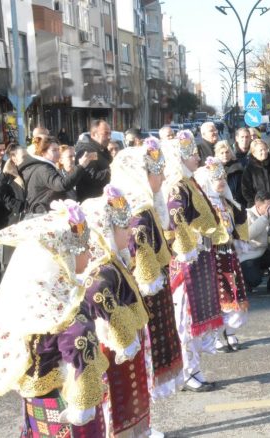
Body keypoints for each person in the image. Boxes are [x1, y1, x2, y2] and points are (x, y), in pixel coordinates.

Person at [0, 201, 110, 436]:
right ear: (63, 254)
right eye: (83, 248)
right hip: (67, 400)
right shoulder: (64, 308)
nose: (90, 254)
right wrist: (85, 399)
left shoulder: (31, 297)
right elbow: (80, 348)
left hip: (35, 397)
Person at [109, 140, 184, 403]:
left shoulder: (145, 206)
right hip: (140, 296)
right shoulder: (136, 214)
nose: (163, 177)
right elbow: (139, 261)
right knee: (142, 360)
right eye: (157, 171)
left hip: (150, 290)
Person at [81, 185, 154, 437]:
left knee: (132, 391)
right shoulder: (101, 268)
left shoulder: (114, 260)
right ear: (106, 231)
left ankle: (135, 431)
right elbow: (98, 296)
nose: (128, 232)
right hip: (113, 347)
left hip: (127, 338)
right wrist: (123, 333)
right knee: (118, 395)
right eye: (123, 228)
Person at [162, 129, 226, 392]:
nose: (198, 158)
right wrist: (192, 239)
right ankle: (188, 372)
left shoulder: (188, 182)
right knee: (185, 318)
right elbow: (175, 219)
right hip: (186, 259)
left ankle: (193, 369)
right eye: (192, 155)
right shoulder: (177, 185)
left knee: (193, 316)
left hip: (198, 257)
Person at [194, 157, 249, 353]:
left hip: (229, 254)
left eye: (223, 178)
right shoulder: (203, 205)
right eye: (217, 178)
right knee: (216, 295)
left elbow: (239, 221)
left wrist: (240, 239)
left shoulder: (227, 202)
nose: (222, 182)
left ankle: (231, 331)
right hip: (212, 255)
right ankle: (214, 335)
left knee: (233, 291)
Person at [19, 135, 94, 214]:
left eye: (58, 149)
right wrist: (81, 166)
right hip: (42, 212)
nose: (58, 153)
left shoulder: (44, 167)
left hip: (44, 210)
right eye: (54, 150)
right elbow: (62, 185)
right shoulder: (43, 169)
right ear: (43, 152)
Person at [241, 139, 270, 208]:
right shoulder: (249, 169)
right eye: (261, 150)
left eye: (265, 149)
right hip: (258, 207)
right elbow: (246, 190)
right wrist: (258, 204)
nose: (264, 152)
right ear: (254, 153)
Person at [75, 119, 113, 201]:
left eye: (110, 133)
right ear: (93, 135)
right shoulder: (87, 151)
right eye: (105, 133)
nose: (109, 137)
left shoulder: (103, 150)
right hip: (92, 202)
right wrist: (114, 170)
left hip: (104, 200)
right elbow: (92, 177)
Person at [215, 140, 246, 206]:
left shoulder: (238, 167)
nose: (225, 155)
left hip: (236, 203)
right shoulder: (215, 169)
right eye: (222, 153)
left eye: (227, 152)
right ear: (217, 154)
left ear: (231, 153)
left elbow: (242, 188)